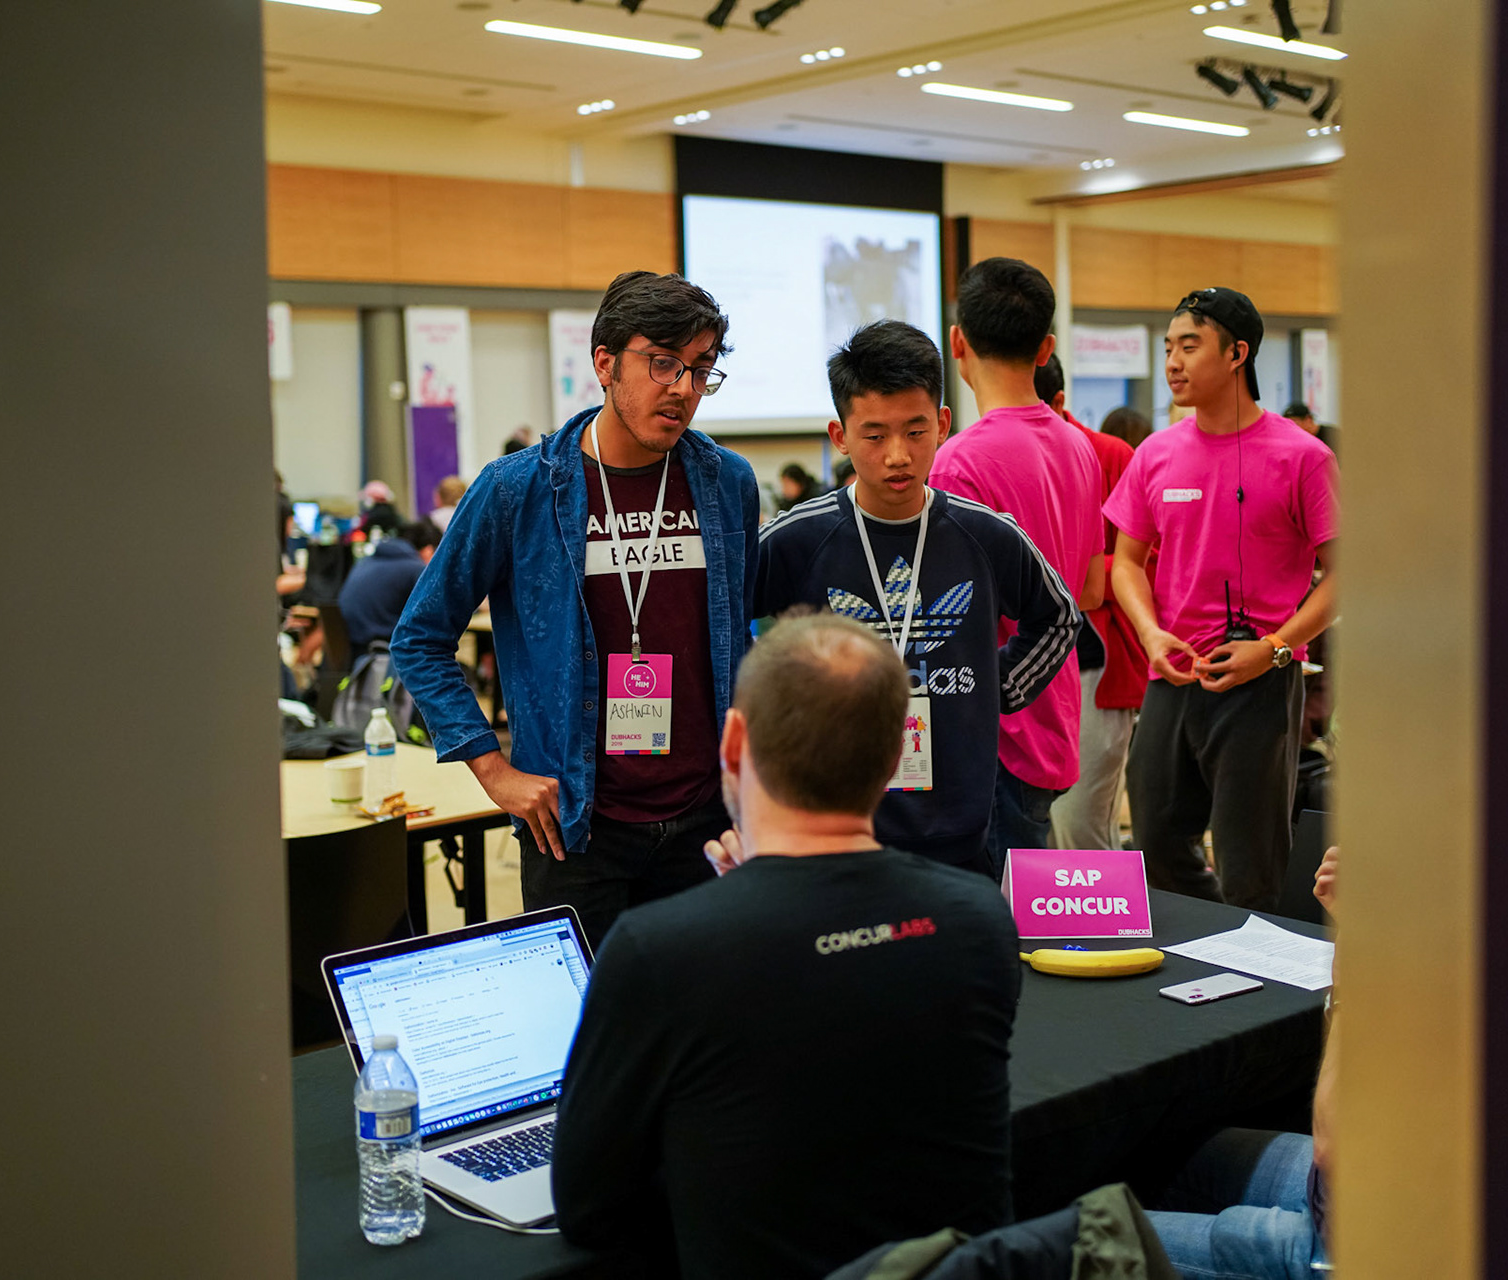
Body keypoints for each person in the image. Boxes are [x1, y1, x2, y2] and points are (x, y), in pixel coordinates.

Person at [554, 613, 1022, 1278]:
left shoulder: (658, 952)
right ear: (896, 754)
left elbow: (587, 1206)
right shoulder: (980, 917)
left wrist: (752, 913)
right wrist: (767, 907)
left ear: (733, 742)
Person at [391, 270, 758, 949]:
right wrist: (494, 770)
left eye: (701, 369)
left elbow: (744, 636)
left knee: (697, 1010)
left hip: (706, 821)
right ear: (605, 364)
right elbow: (419, 637)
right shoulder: (518, 491)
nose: (683, 387)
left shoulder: (726, 482)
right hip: (576, 827)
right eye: (664, 363)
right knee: (588, 1014)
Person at [755, 318, 1080, 876]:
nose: (898, 455)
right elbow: (718, 620)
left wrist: (1000, 688)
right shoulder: (798, 538)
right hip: (839, 829)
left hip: (962, 823)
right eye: (874, 435)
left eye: (915, 430)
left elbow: (1060, 616)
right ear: (840, 436)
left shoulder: (985, 534)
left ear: (943, 424)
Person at [1104, 287, 1339, 909]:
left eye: (1190, 346)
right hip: (1173, 675)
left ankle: (1254, 966)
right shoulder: (1156, 454)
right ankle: (1207, 947)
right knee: (1156, 843)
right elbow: (1125, 563)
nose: (1173, 362)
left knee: (1251, 864)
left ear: (1237, 354)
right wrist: (1150, 633)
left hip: (1260, 679)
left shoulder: (1304, 457)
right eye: (1168, 348)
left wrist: (1276, 648)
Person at [929, 258, 1103, 873]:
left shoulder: (958, 462)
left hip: (993, 732)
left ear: (957, 343)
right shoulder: (1079, 446)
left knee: (995, 915)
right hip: (1054, 715)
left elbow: (950, 624)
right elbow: (1089, 589)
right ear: (1045, 348)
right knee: (1027, 903)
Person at [1145, 845, 1340, 1278]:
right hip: (1360, 1184)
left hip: (1347, 1242)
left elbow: (1332, 1143)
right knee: (1149, 1155)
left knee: (1073, 1242)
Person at [1030, 356, 1149, 854]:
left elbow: (1146, 562)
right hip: (1023, 664)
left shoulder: (1110, 454)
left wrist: (1072, 570)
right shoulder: (986, 455)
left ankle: (1113, 910)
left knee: (1081, 823)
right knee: (1039, 825)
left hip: (1097, 661)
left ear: (1059, 401)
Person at [335, 526, 426, 656]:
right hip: (380, 651)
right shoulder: (415, 568)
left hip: (350, 646)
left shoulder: (364, 562)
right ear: (428, 550)